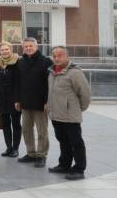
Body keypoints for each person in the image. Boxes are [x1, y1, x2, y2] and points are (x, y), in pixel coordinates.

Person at [47, 46, 91, 181]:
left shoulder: (75, 73)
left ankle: (79, 169)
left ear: (67, 56)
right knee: (63, 141)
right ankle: (64, 164)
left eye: (60, 55)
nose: (56, 58)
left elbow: (85, 94)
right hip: (56, 114)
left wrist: (78, 109)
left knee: (76, 142)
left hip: (70, 116)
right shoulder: (52, 72)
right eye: (54, 56)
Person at [15, 37, 53, 168]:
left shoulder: (46, 61)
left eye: (31, 46)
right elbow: (18, 83)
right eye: (26, 46)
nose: (28, 48)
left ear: (36, 47)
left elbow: (50, 84)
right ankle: (31, 153)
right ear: (23, 48)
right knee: (26, 129)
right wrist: (17, 100)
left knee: (42, 131)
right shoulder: (21, 62)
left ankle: (41, 155)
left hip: (40, 103)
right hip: (25, 102)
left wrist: (47, 101)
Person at [0, 42, 21, 157]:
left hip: (14, 99)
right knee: (5, 124)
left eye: (6, 49)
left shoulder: (18, 62)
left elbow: (19, 83)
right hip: (2, 98)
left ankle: (15, 148)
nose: (4, 51)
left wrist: (18, 99)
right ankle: (8, 147)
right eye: (2, 50)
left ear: (11, 50)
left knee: (15, 124)